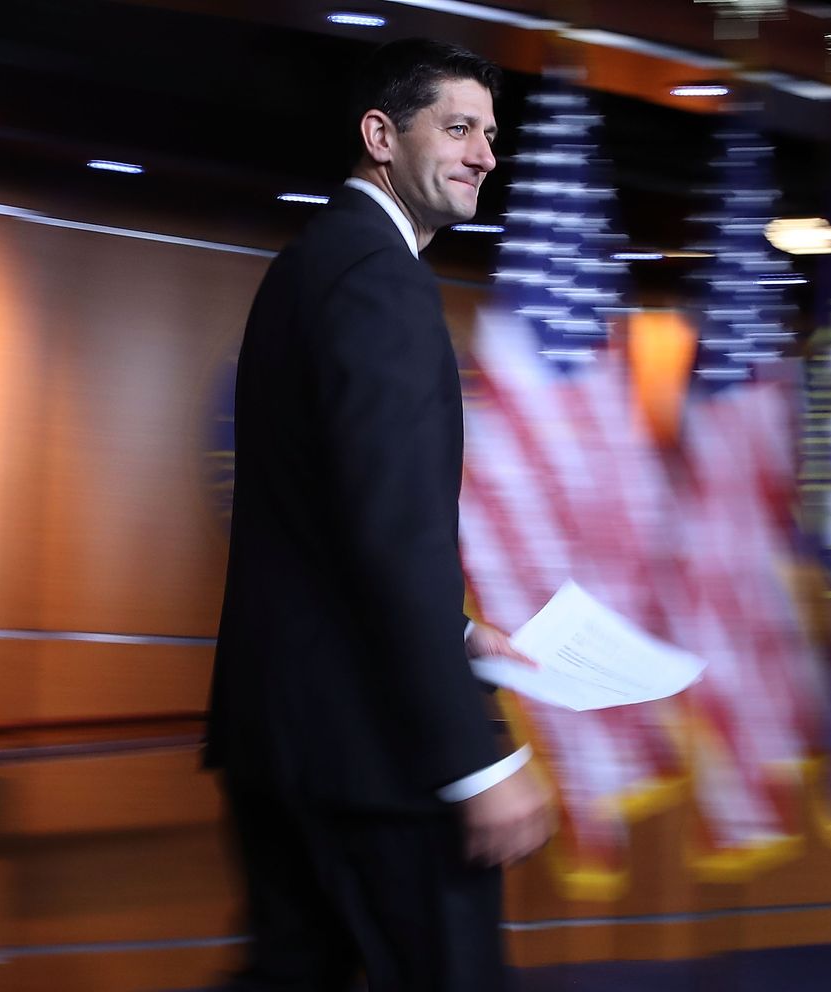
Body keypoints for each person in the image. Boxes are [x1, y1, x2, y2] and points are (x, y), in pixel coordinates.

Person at [205, 38, 555, 992]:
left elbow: (340, 516)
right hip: (377, 761)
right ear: (380, 136)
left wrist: (458, 628)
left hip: (284, 742)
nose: (486, 152)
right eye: (457, 127)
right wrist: (477, 765)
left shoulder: (311, 264)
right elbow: (393, 533)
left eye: (490, 132)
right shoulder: (382, 284)